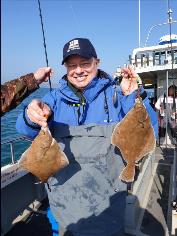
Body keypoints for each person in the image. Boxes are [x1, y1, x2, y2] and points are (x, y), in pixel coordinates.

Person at [16, 38, 158, 236]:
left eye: (85, 63)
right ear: (65, 68)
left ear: (97, 62)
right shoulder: (53, 99)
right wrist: (32, 115)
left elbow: (151, 130)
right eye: (72, 65)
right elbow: (25, 130)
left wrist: (132, 96)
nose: (78, 70)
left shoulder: (118, 95)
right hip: (64, 211)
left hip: (109, 210)